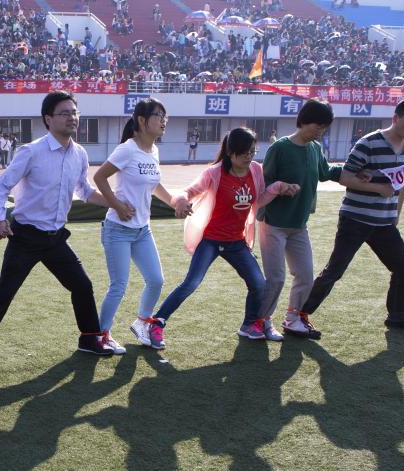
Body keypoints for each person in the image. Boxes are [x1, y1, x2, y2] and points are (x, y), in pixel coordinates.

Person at [0, 91, 115, 366]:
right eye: (64, 113)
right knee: (4, 294)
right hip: (25, 237)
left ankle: (89, 339)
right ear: (48, 119)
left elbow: (85, 190)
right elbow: (2, 185)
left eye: (74, 112)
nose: (72, 118)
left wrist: (116, 203)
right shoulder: (31, 151)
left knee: (82, 285)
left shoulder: (79, 153)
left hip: (56, 239)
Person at [145, 127, 299, 348]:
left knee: (258, 284)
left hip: (236, 242)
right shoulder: (214, 173)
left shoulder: (255, 170)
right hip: (211, 240)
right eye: (244, 153)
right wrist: (182, 200)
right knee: (191, 283)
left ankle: (249, 325)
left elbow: (257, 200)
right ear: (230, 153)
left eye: (252, 152)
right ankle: (157, 322)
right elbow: (189, 191)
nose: (249, 157)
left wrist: (278, 188)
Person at [299, 97, 404, 333]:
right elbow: (346, 177)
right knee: (335, 270)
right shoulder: (368, 143)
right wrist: (378, 188)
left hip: (384, 222)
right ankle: (300, 314)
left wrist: (396, 212)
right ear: (396, 118)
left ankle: (398, 315)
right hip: (355, 219)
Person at [92, 98, 183, 353]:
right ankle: (100, 335)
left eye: (165, 116)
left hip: (142, 230)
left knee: (156, 280)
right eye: (158, 116)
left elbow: (154, 185)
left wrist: (174, 201)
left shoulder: (154, 151)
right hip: (118, 230)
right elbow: (99, 177)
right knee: (118, 286)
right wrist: (117, 205)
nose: (163, 121)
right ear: (142, 121)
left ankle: (142, 323)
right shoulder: (127, 149)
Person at [258, 99, 349, 340]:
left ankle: (293, 319)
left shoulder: (315, 149)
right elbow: (264, 182)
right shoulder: (280, 148)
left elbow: (326, 172)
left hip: (299, 225)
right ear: (304, 122)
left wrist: (354, 170)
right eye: (318, 126)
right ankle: (262, 321)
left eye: (324, 128)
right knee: (276, 278)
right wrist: (281, 187)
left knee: (305, 275)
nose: (320, 132)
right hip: (273, 223)